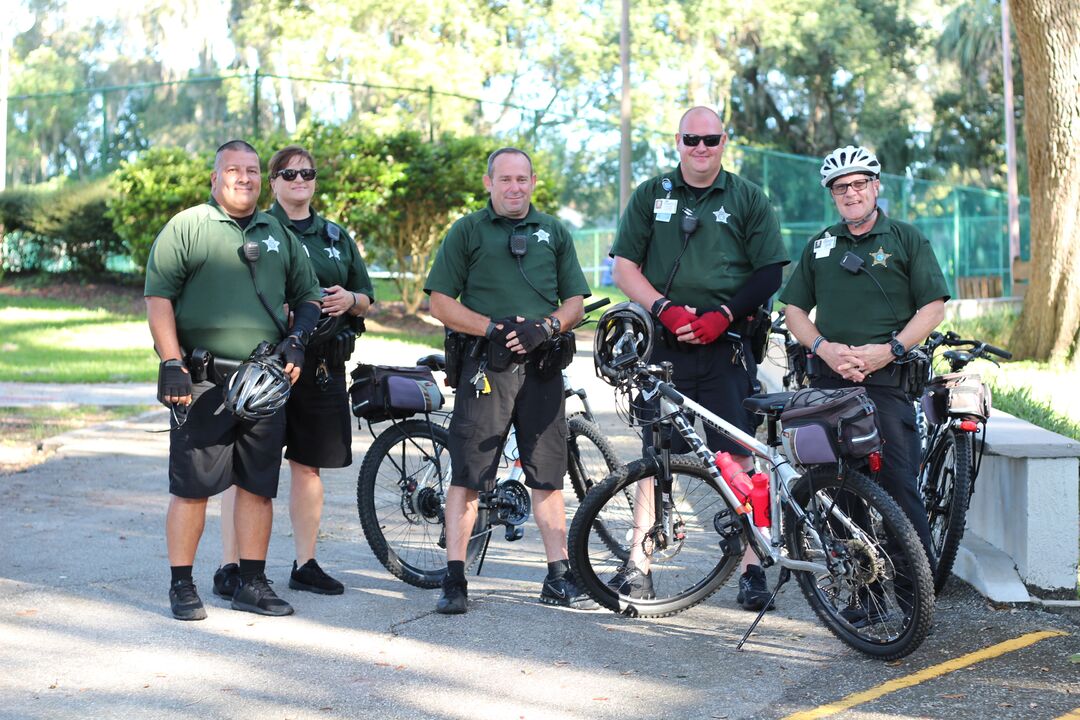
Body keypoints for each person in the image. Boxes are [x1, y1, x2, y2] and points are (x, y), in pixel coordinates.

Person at [609, 107, 789, 612]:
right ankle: (638, 564)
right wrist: (664, 311)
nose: (702, 148)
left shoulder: (748, 197)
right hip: (662, 347)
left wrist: (725, 314)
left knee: (736, 454)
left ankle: (753, 565)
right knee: (654, 455)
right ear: (678, 141)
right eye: (693, 139)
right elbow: (625, 267)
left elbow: (770, 271)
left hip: (726, 345)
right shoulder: (651, 194)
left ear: (725, 141)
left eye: (711, 139)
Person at [145, 139, 321, 620]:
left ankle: (252, 582)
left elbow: (307, 295)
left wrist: (299, 338)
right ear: (214, 178)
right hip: (201, 381)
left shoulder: (277, 232)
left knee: (257, 486)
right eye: (233, 170)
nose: (244, 178)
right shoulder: (188, 227)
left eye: (251, 171)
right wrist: (171, 361)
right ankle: (182, 585)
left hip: (264, 382)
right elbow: (158, 297)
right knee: (192, 488)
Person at [423, 147, 595, 614]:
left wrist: (548, 327)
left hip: (541, 368)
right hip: (486, 369)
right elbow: (440, 302)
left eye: (522, 179)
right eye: (505, 180)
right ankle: (454, 579)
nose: (514, 187)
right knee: (468, 473)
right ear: (489, 183)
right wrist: (492, 327)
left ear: (533, 181)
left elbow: (576, 302)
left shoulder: (553, 231)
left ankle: (558, 576)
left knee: (547, 474)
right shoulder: (468, 231)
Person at [779, 145, 948, 605]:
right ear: (833, 195)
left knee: (899, 488)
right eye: (841, 187)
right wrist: (823, 348)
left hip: (887, 383)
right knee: (836, 492)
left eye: (858, 184)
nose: (851, 193)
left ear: (876, 186)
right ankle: (862, 598)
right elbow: (794, 309)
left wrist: (888, 351)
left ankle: (916, 599)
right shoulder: (819, 245)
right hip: (831, 385)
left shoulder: (905, 238)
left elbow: (933, 306)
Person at [213, 145, 374, 599]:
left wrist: (350, 301)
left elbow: (367, 295)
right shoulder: (258, 229)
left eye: (307, 173)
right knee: (242, 468)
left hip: (322, 366)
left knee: (309, 467)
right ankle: (231, 565)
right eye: (289, 174)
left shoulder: (336, 237)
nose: (299, 181)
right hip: (268, 364)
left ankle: (306, 563)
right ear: (274, 180)